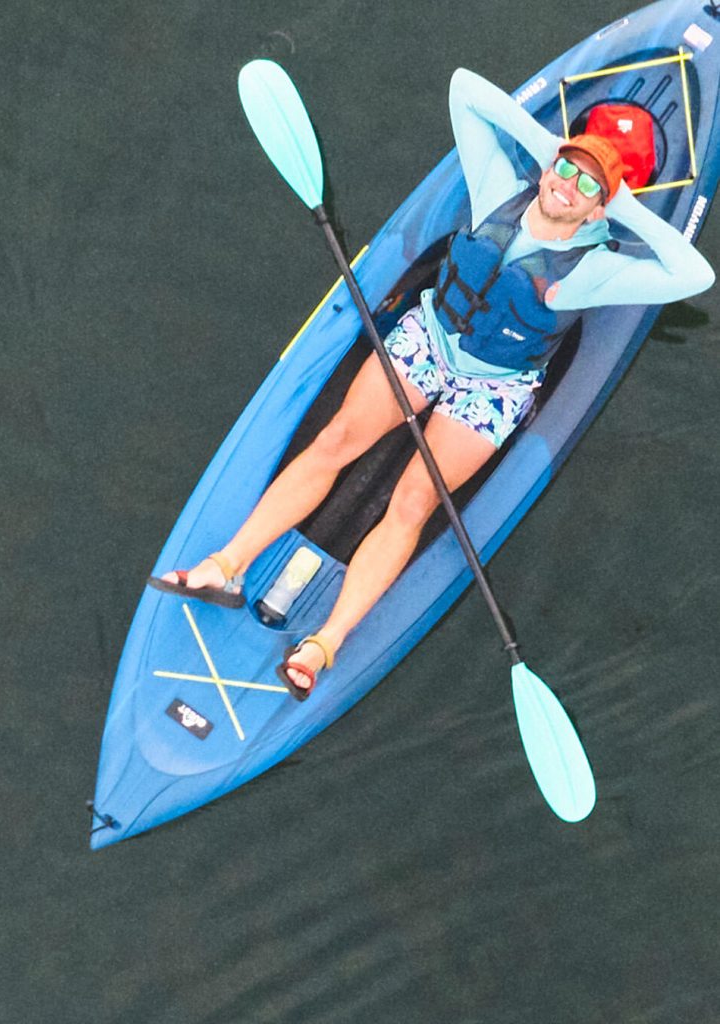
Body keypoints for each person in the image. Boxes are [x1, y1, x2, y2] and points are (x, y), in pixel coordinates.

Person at [149, 68, 715, 700]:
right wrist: (552, 151)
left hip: (492, 388)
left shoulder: (596, 269)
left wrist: (622, 202)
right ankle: (223, 567)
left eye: (589, 185)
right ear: (549, 166)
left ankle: (323, 644)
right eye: (566, 170)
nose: (568, 185)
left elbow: (694, 274)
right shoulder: (500, 190)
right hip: (429, 339)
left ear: (600, 206)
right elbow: (463, 88)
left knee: (413, 504)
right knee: (335, 442)